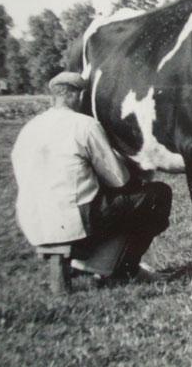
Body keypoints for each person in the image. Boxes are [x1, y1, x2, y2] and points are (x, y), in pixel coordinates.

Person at [11, 71, 172, 281]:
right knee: (157, 194)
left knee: (108, 204)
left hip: (31, 220)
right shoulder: (85, 125)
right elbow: (118, 179)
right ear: (78, 97)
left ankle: (98, 261)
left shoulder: (29, 128)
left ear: (54, 96)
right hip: (73, 221)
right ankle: (125, 269)